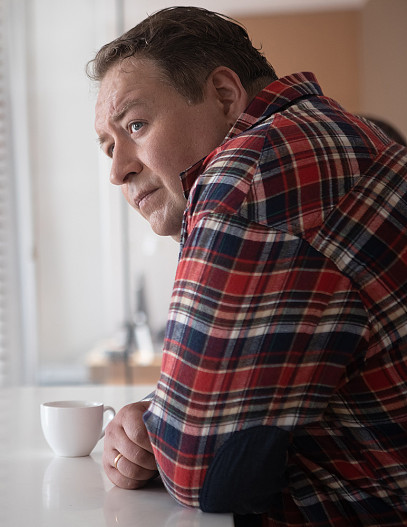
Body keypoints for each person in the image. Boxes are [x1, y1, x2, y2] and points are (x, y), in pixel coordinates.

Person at [88, 7, 407, 527]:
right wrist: (163, 411)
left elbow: (203, 472)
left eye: (136, 125)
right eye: (109, 147)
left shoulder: (249, 173)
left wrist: (168, 425)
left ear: (224, 95)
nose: (119, 170)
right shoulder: (339, 133)